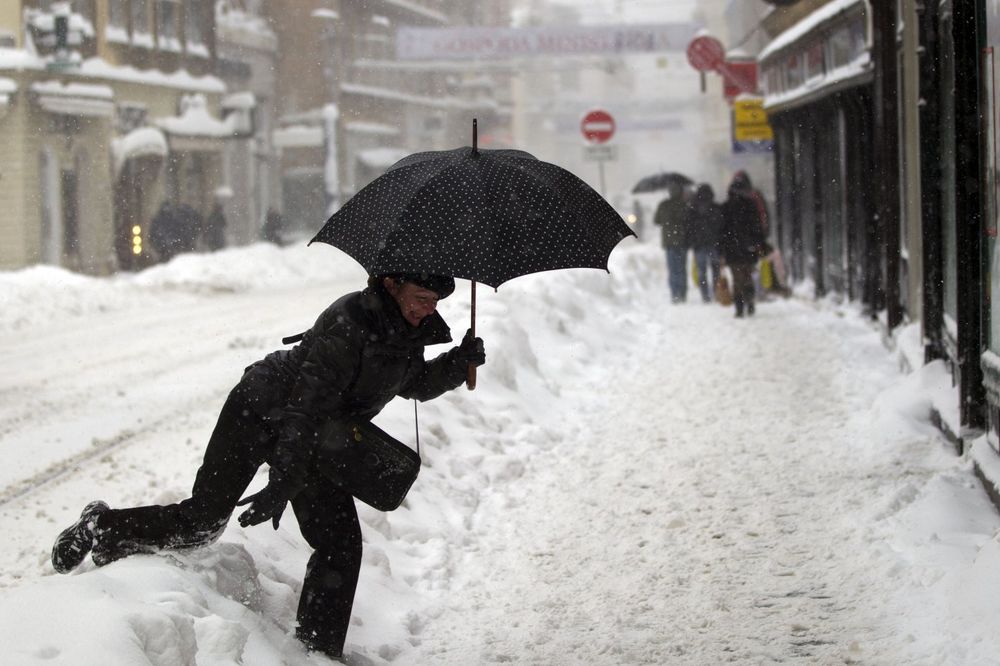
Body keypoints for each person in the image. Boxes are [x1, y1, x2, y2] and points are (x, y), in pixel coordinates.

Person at [50, 273, 486, 660]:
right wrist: (284, 479)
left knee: (340, 543)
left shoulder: (408, 334)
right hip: (260, 411)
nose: (428, 309)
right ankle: (100, 526)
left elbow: (411, 384)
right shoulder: (350, 322)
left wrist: (455, 362)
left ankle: (316, 651)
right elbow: (305, 405)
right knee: (202, 520)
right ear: (391, 285)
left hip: (315, 434)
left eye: (434, 302)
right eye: (422, 297)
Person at [720, 173, 766, 318]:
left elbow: (721, 231)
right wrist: (758, 243)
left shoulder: (725, 208)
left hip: (732, 249)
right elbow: (758, 227)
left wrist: (721, 250)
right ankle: (749, 301)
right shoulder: (751, 206)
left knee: (737, 279)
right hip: (748, 248)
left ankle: (739, 307)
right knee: (747, 276)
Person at [683, 183, 723, 303]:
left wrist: (689, 242)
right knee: (715, 269)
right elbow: (721, 226)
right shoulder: (715, 207)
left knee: (702, 271)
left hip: (699, 244)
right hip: (714, 243)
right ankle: (715, 291)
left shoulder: (692, 209)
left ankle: (705, 295)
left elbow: (688, 227)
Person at [652, 181, 689, 303]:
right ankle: (683, 293)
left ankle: (675, 294)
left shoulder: (663, 205)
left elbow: (656, 221)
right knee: (682, 268)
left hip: (669, 242)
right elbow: (689, 221)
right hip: (683, 241)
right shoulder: (684, 204)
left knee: (673, 269)